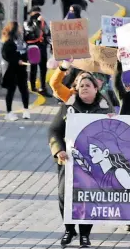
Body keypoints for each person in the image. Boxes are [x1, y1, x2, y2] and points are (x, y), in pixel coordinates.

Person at [48, 73, 112, 248]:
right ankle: (69, 229)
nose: (84, 88)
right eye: (81, 85)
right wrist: (58, 150)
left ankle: (85, 234)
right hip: (68, 161)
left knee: (87, 196)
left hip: (91, 163)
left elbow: (111, 134)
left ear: (96, 89)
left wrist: (113, 124)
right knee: (64, 194)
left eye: (87, 85)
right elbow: (54, 130)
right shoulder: (69, 105)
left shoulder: (105, 108)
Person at [0, 22, 30, 121]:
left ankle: (26, 110)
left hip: (22, 70)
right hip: (11, 70)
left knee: (24, 89)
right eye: (19, 28)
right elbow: (5, 55)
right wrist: (17, 60)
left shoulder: (22, 40)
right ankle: (8, 112)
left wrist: (27, 59)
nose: (21, 29)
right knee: (11, 91)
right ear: (14, 30)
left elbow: (25, 52)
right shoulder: (8, 42)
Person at [24, 7, 50, 95]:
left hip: (42, 47)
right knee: (33, 67)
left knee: (43, 68)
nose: (37, 15)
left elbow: (47, 33)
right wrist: (37, 23)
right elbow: (33, 33)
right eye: (35, 13)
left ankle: (43, 87)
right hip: (33, 47)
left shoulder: (43, 22)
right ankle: (32, 86)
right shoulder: (27, 23)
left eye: (38, 13)